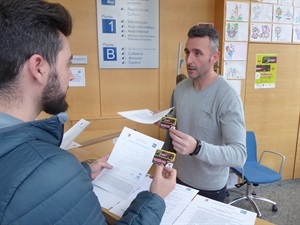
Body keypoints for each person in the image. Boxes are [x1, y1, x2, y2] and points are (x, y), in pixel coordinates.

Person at [0, 0, 176, 224]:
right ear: (39, 68)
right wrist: (155, 198)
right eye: (67, 64)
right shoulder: (51, 168)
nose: (71, 76)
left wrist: (80, 174)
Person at [167, 25, 247, 202]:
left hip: (209, 189)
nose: (189, 60)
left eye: (197, 53)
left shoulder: (227, 97)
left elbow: (239, 155)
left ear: (214, 57)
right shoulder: (180, 89)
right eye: (187, 52)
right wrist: (163, 120)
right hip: (178, 177)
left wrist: (197, 147)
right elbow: (177, 127)